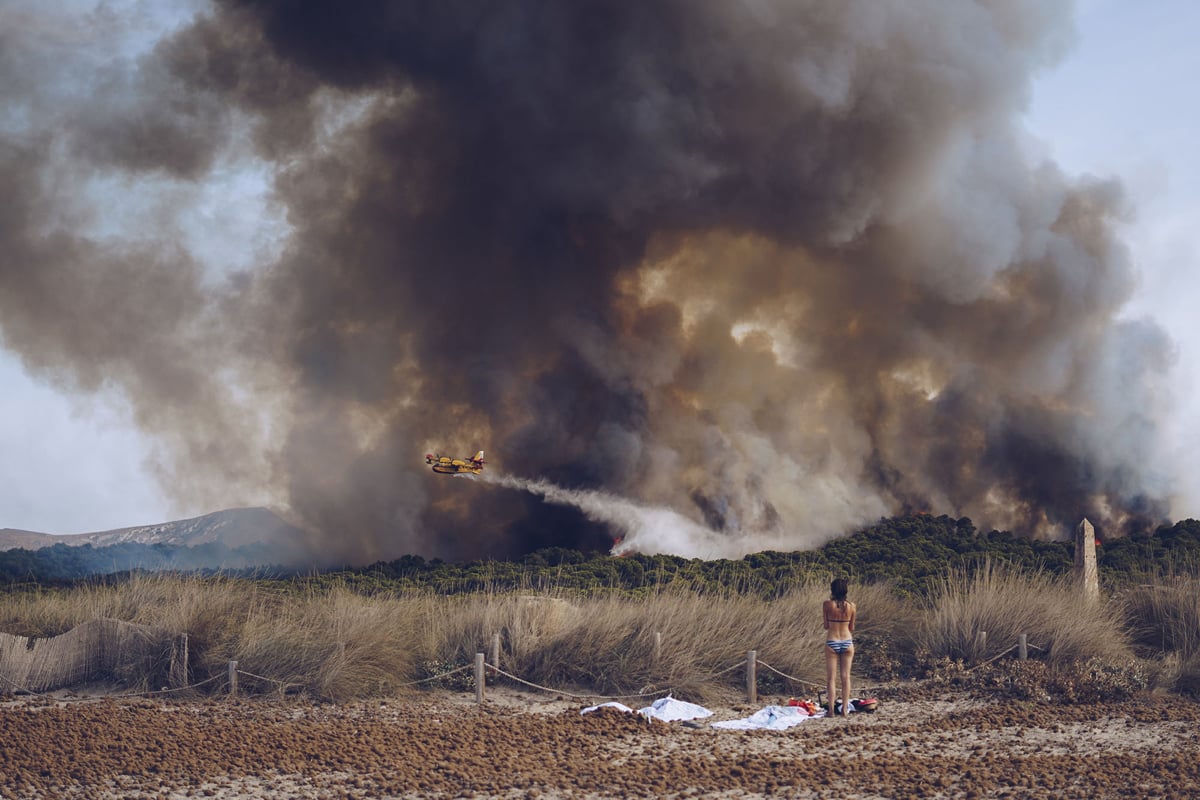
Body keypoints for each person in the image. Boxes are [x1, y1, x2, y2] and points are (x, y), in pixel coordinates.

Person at [823, 577, 856, 717]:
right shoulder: (852, 606)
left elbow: (826, 625)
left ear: (832, 590)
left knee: (831, 678)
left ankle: (830, 710)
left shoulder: (827, 604)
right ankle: (844, 709)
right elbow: (851, 627)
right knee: (845, 677)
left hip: (832, 641)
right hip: (847, 641)